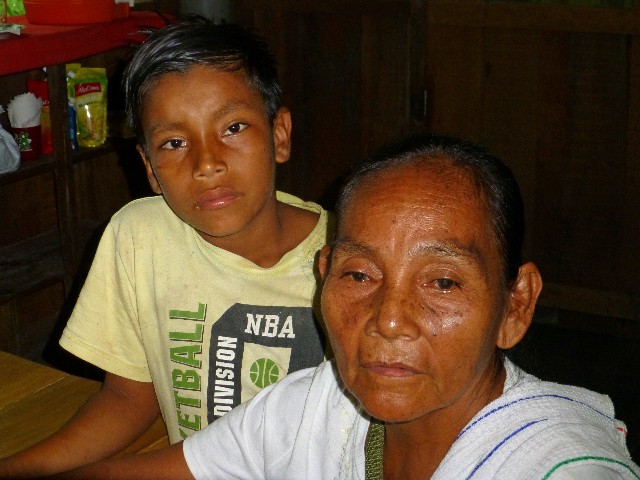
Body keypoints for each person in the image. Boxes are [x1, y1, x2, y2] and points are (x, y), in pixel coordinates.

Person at [46, 133, 640, 479]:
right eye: (359, 273)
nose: (387, 319)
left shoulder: (552, 465)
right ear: (323, 275)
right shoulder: (316, 408)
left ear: (516, 305)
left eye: (442, 283)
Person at [0, 16, 332, 478]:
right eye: (174, 142)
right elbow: (129, 397)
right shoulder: (141, 236)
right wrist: (17, 469)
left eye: (233, 128)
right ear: (150, 168)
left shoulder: (347, 258)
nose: (207, 163)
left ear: (279, 134)